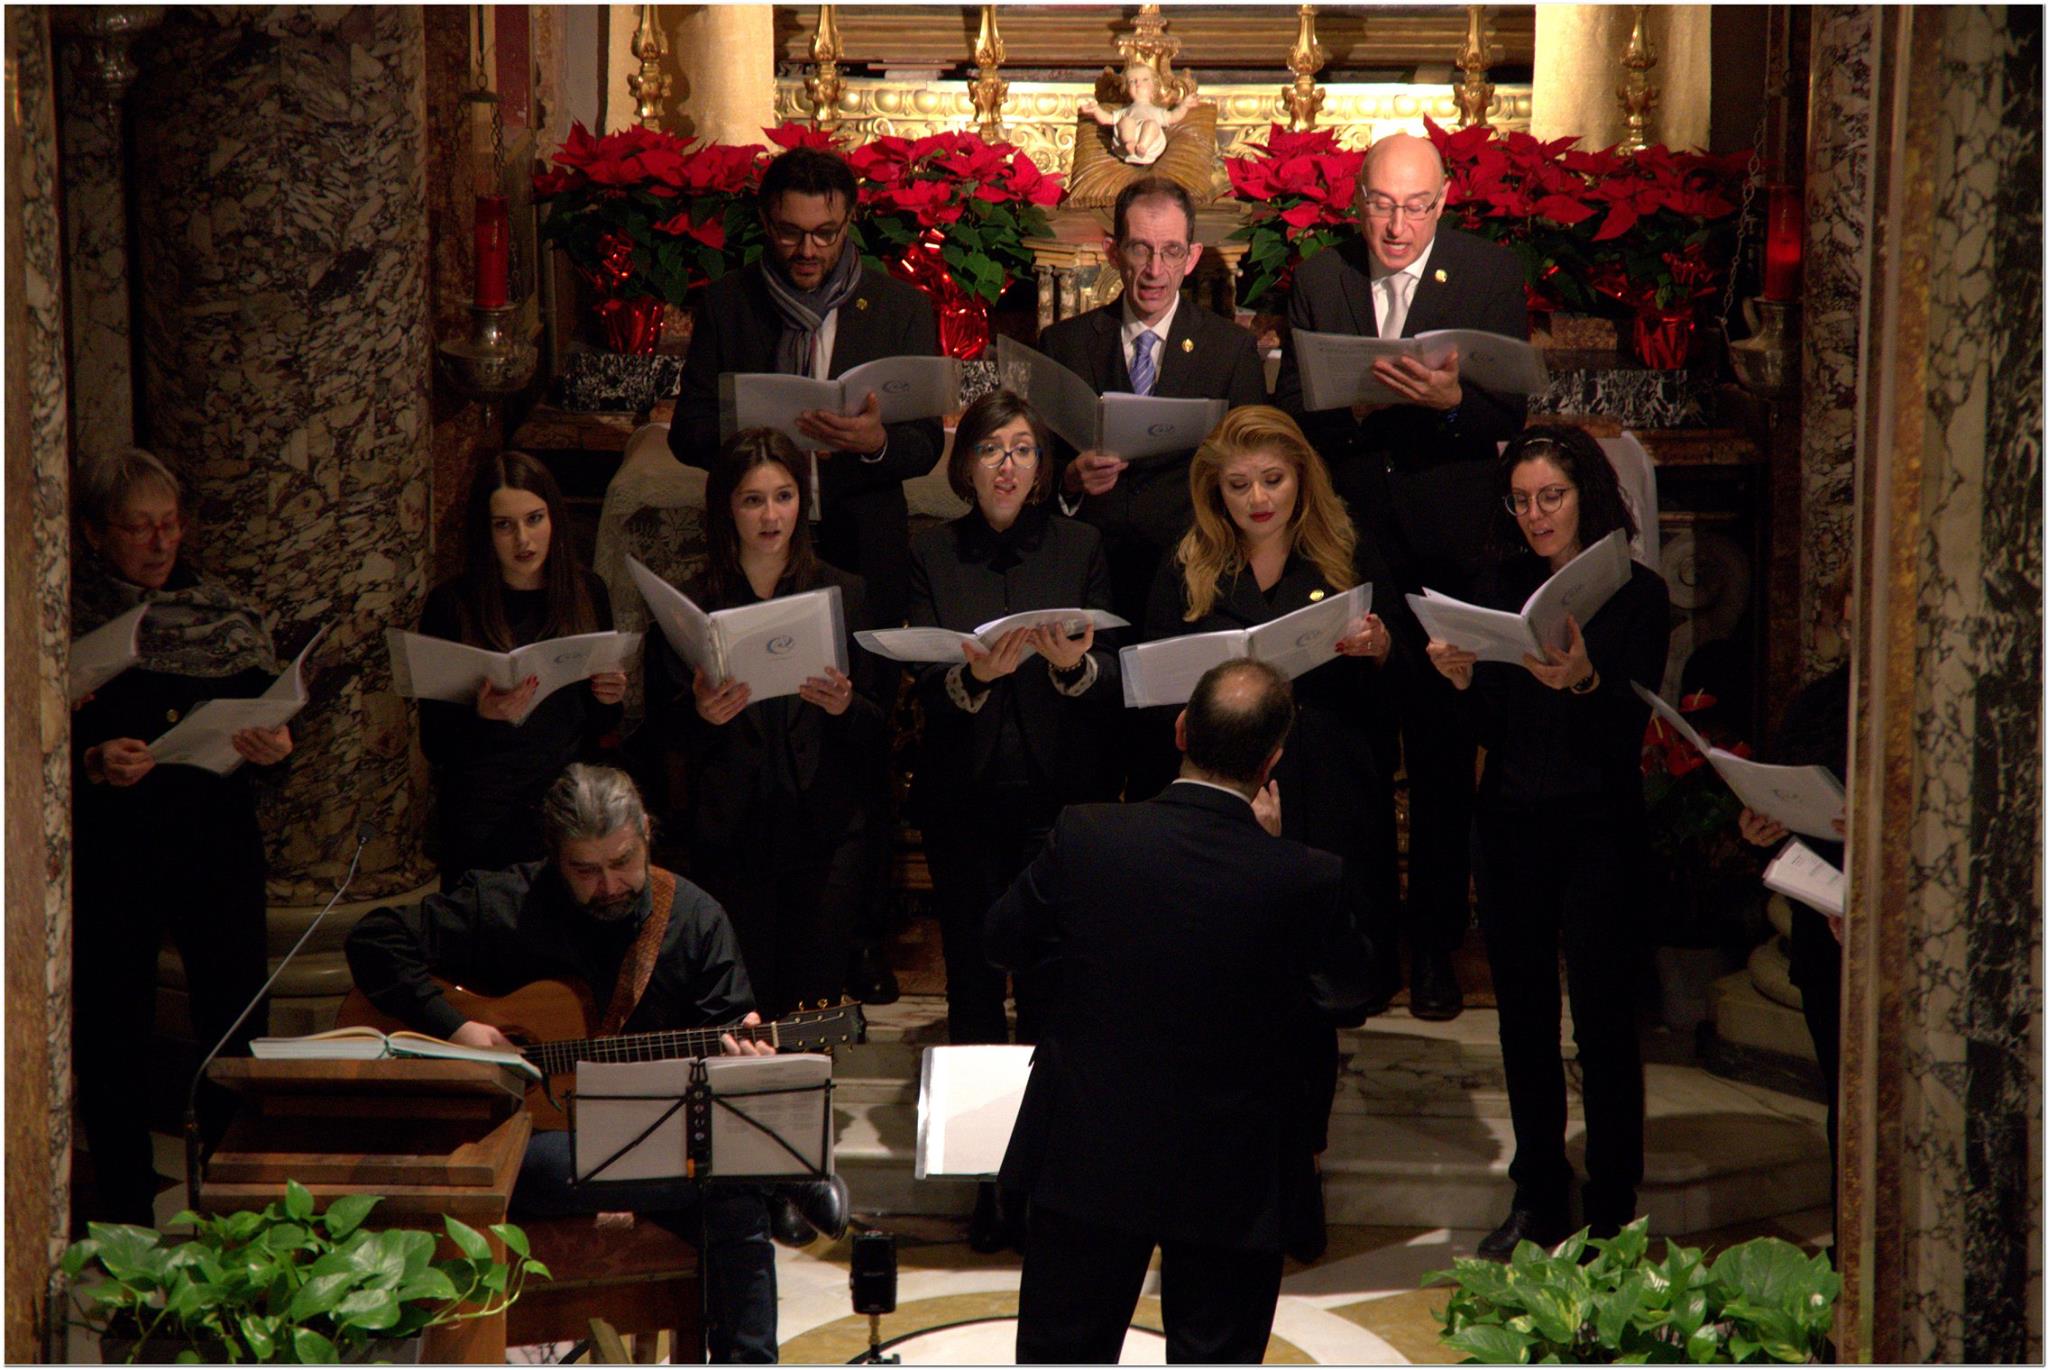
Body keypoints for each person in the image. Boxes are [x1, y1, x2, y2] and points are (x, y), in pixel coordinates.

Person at [345, 764, 810, 1363]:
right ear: (554, 856)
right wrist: (459, 1027)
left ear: (645, 832)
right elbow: (374, 939)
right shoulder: (508, 902)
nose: (610, 885)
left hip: (652, 1143)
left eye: (623, 862)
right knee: (728, 1177)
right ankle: (785, 1176)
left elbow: (727, 1049)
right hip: (526, 1147)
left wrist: (746, 1057)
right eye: (585, 871)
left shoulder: (694, 920)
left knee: (733, 1200)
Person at [988, 658, 1372, 1363]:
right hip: (1233, 1173)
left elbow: (1001, 939)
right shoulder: (1304, 875)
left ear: (1181, 729)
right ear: (1274, 760)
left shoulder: (1088, 836)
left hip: (1087, 1151)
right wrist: (1270, 853)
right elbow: (1348, 992)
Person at [672, 143, 942, 1005]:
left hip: (860, 551)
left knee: (857, 742)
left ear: (849, 222)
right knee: (764, 738)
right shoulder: (728, 305)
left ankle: (855, 941)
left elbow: (926, 440)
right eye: (791, 235)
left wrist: (874, 443)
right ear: (765, 225)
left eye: (825, 234)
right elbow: (685, 435)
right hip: (759, 554)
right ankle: (752, 936)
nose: (808, 252)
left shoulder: (898, 307)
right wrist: (753, 437)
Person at [1274, 132, 1531, 1021]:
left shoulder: (1491, 276)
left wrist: (1451, 404)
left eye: (1416, 206)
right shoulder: (1321, 278)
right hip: (1351, 545)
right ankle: (1363, 947)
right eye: (1382, 203)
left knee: (1441, 756)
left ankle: (1433, 952)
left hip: (1453, 555)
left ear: (1445, 200)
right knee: (1350, 757)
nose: (1397, 223)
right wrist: (1353, 407)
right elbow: (1297, 414)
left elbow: (1514, 405)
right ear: (1359, 199)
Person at [1140, 403, 1399, 1261]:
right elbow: (1147, 691)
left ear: (1302, 479)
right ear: (1216, 486)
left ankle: (1303, 1170)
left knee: (1308, 996)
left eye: (1274, 480)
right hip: (1219, 805)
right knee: (1221, 990)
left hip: (1324, 797)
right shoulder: (1187, 566)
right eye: (1241, 483)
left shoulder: (1347, 555)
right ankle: (1223, 1175)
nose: (1258, 498)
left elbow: (1394, 698)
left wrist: (1378, 650)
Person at [1423, 425, 1671, 1260]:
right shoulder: (1496, 586)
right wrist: (1459, 682)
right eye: (1523, 500)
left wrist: (1587, 679)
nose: (1536, 516)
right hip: (1512, 822)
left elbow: (1628, 726)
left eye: (1552, 498)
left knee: (1602, 1021)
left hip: (1599, 823)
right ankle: (1538, 1195)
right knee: (1522, 1019)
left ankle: (1611, 1204)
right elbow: (1489, 723)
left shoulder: (1635, 595)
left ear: (1586, 498)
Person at [903, 390, 1120, 1251]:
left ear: (1040, 467)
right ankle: (987, 1181)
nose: (1007, 464)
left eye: (1024, 450)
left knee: (1050, 992)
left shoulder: (1082, 546)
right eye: (992, 449)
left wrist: (1071, 668)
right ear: (967, 466)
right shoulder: (931, 551)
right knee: (971, 988)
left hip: (1058, 798)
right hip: (964, 796)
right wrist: (975, 678)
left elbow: (1106, 684)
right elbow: (920, 679)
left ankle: (1046, 1175)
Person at [70, 446, 295, 1226]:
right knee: (114, 1028)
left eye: (170, 526)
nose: (162, 544)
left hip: (214, 844)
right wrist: (90, 758)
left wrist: (272, 752)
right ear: (97, 534)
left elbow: (268, 721)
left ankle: (235, 1195)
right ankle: (126, 1204)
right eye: (139, 530)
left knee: (236, 1021)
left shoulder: (224, 614)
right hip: (114, 853)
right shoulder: (65, 617)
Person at [642, 429, 886, 1025]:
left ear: (803, 502)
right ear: (727, 506)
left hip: (825, 836)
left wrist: (844, 707)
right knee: (740, 1010)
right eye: (753, 499)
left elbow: (882, 728)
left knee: (813, 1010)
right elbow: (657, 732)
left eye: (783, 496)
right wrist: (700, 716)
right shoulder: (692, 606)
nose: (770, 515)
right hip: (732, 834)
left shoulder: (845, 594)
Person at [1039, 176, 1268, 630]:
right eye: (1140, 249)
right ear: (1113, 252)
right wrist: (1069, 480)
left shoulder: (1230, 350)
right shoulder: (1063, 345)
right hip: (1087, 579)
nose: (1155, 270)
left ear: (1193, 256)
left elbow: (1257, 465)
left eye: (1171, 251)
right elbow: (1034, 465)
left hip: (1194, 579)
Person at [418, 451, 626, 889]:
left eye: (534, 519)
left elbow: (599, 727)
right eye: (504, 525)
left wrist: (608, 697)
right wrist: (482, 716)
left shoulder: (587, 591)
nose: (523, 540)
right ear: (485, 532)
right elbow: (435, 744)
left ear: (554, 517)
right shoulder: (452, 605)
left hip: (564, 805)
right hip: (482, 808)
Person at [1736, 581, 1851, 1235]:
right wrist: (1765, 826)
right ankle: (1848, 1253)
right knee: (1843, 1102)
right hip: (1823, 924)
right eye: (1848, 617)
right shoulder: (1816, 706)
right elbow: (1787, 803)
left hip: (1897, 930)